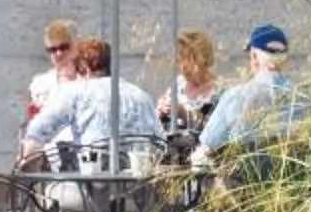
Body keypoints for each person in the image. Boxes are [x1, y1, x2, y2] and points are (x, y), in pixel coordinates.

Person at [20, 38, 162, 168]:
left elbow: (39, 131)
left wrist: (27, 163)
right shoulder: (141, 96)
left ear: (85, 69)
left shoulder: (77, 92)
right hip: (136, 182)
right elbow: (160, 141)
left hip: (90, 180)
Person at [198, 25, 311, 159]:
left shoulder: (236, 96)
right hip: (292, 171)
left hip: (243, 171)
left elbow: (209, 146)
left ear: (255, 56)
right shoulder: (302, 99)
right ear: (284, 58)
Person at [159, 29, 225, 136]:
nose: (182, 67)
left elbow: (214, 132)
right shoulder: (179, 83)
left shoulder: (218, 92)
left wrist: (183, 113)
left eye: (187, 61)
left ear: (201, 60)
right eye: (179, 61)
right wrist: (161, 111)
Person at [23, 19, 80, 134]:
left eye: (64, 47)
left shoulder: (90, 81)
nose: (58, 54)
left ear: (76, 46)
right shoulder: (40, 84)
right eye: (52, 50)